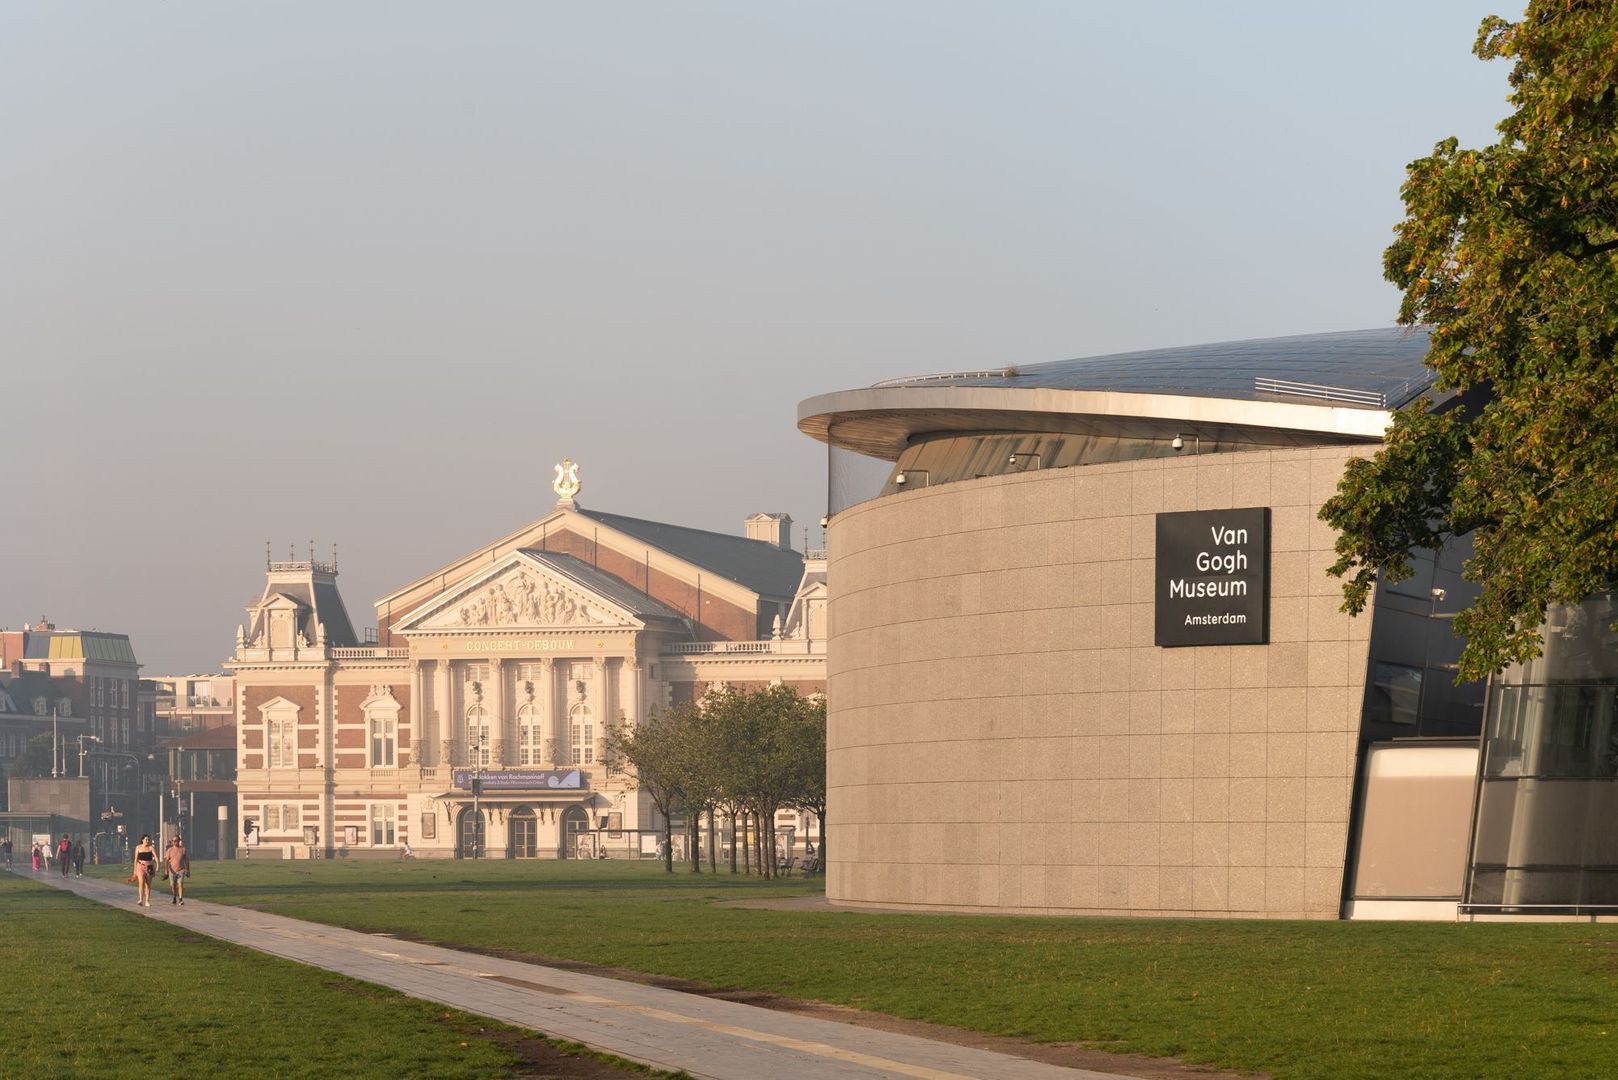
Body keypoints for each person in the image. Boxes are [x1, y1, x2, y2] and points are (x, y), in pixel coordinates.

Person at [164, 836, 190, 906]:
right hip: (172, 871)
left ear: (179, 841)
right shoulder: (169, 850)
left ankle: (181, 899)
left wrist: (188, 870)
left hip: (181, 870)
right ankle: (174, 897)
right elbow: (166, 861)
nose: (174, 842)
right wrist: (166, 870)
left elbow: (186, 860)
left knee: (180, 884)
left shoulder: (183, 849)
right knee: (173, 885)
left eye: (176, 840)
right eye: (173, 841)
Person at [132, 834, 157, 907]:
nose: (147, 841)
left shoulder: (151, 848)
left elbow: (155, 857)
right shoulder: (138, 847)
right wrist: (135, 870)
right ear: (142, 840)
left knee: (148, 885)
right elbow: (136, 859)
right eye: (146, 839)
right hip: (140, 866)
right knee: (141, 882)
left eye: (148, 839)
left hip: (149, 867)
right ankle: (140, 899)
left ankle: (147, 901)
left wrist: (157, 866)